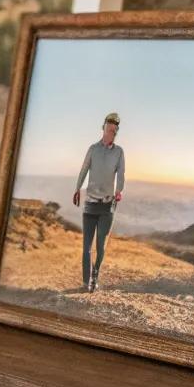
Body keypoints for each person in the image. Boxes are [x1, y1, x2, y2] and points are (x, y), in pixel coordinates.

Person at [73, 112, 125, 291]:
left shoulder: (119, 152)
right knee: (86, 246)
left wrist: (119, 191)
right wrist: (77, 188)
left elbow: (121, 174)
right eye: (110, 129)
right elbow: (83, 170)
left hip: (107, 206)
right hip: (90, 204)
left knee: (100, 246)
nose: (112, 132)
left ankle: (95, 275)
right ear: (103, 127)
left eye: (115, 130)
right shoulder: (93, 149)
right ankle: (86, 281)